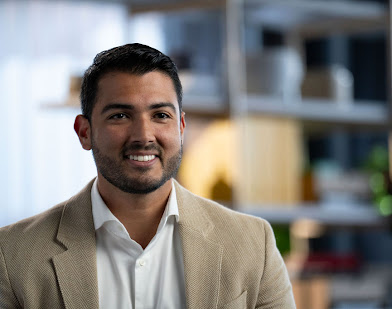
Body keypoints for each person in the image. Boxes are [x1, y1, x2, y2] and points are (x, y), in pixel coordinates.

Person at [0, 43, 296, 309]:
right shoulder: (13, 254)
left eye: (160, 116)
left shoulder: (253, 244)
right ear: (84, 132)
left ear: (181, 127)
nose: (143, 136)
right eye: (120, 115)